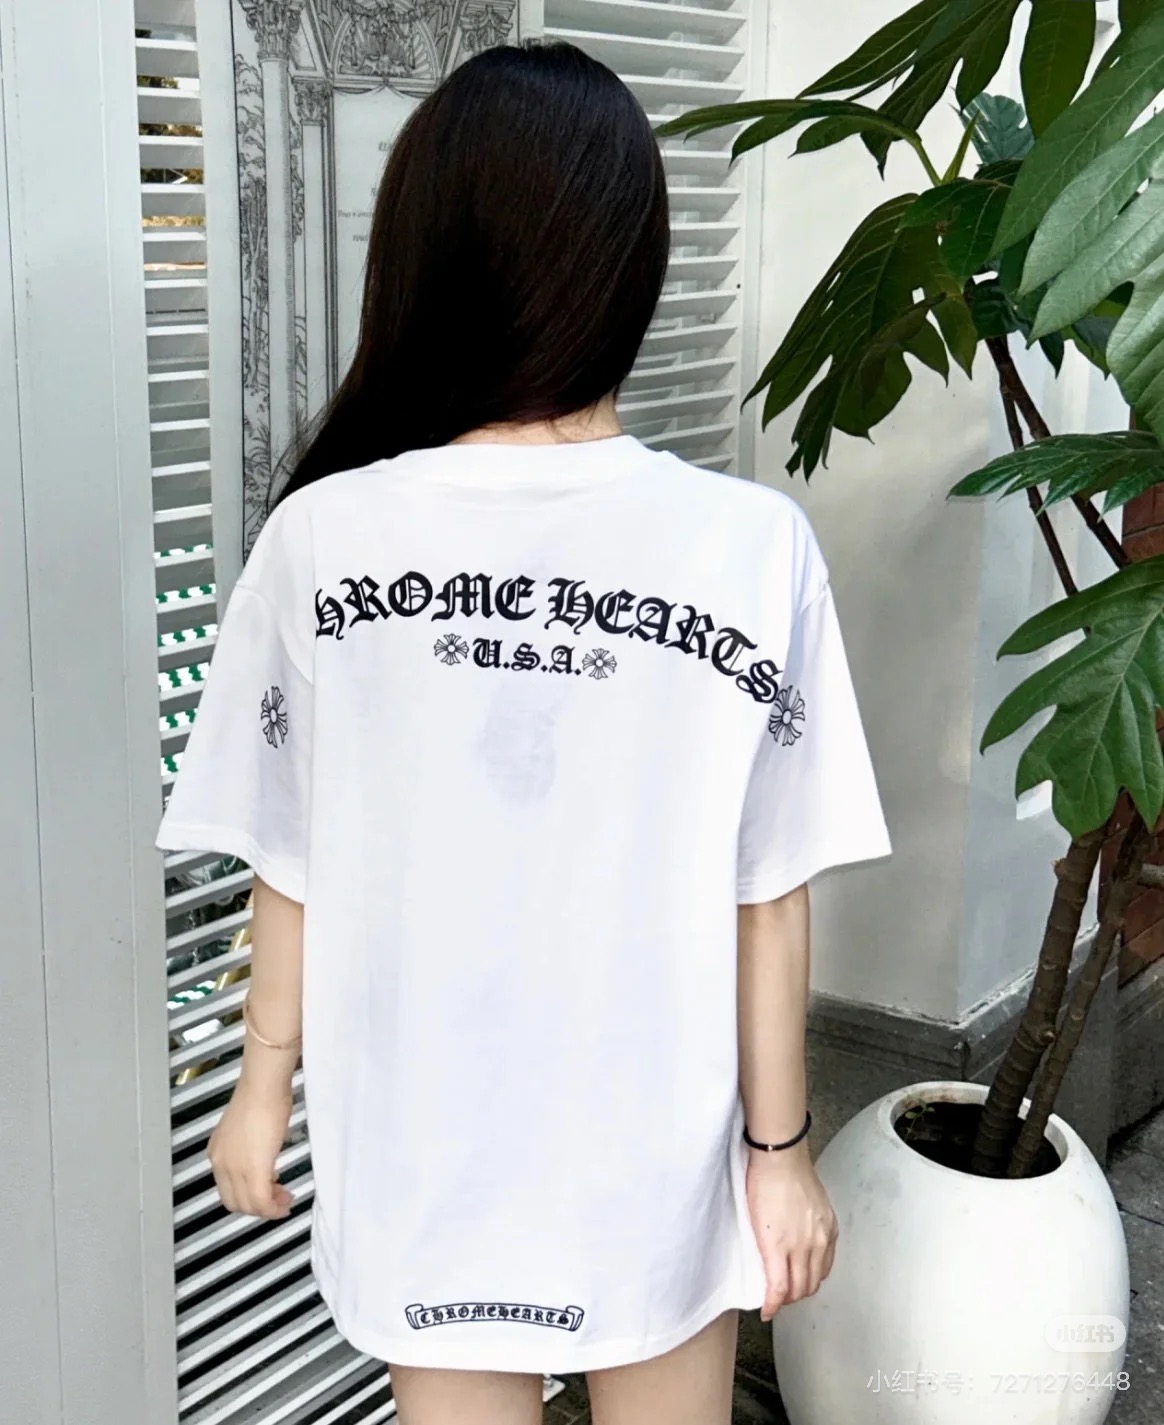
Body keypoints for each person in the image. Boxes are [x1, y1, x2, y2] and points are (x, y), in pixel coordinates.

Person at [156, 39, 891, 1425]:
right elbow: (771, 895)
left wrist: (262, 1084)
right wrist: (780, 1151)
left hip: (432, 1149)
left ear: (422, 259)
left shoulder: (326, 538)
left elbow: (286, 858)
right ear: (632, 266)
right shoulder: (745, 547)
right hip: (638, 1154)